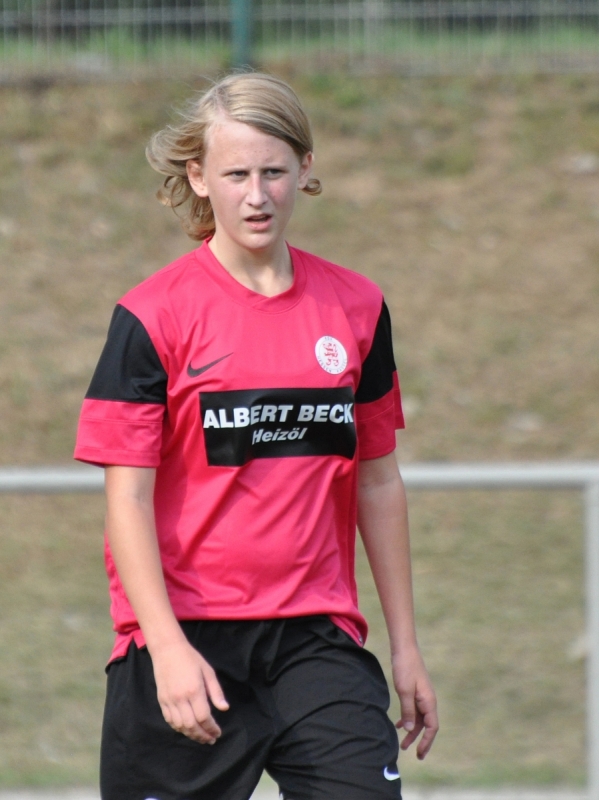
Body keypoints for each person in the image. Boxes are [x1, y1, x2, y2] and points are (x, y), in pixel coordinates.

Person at [74, 71, 438, 800]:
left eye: (273, 171)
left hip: (315, 640)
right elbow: (127, 502)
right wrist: (166, 649)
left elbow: (377, 480)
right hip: (187, 640)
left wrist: (406, 647)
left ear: (305, 168)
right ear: (198, 178)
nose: (257, 195)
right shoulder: (152, 316)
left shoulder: (357, 307)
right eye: (236, 174)